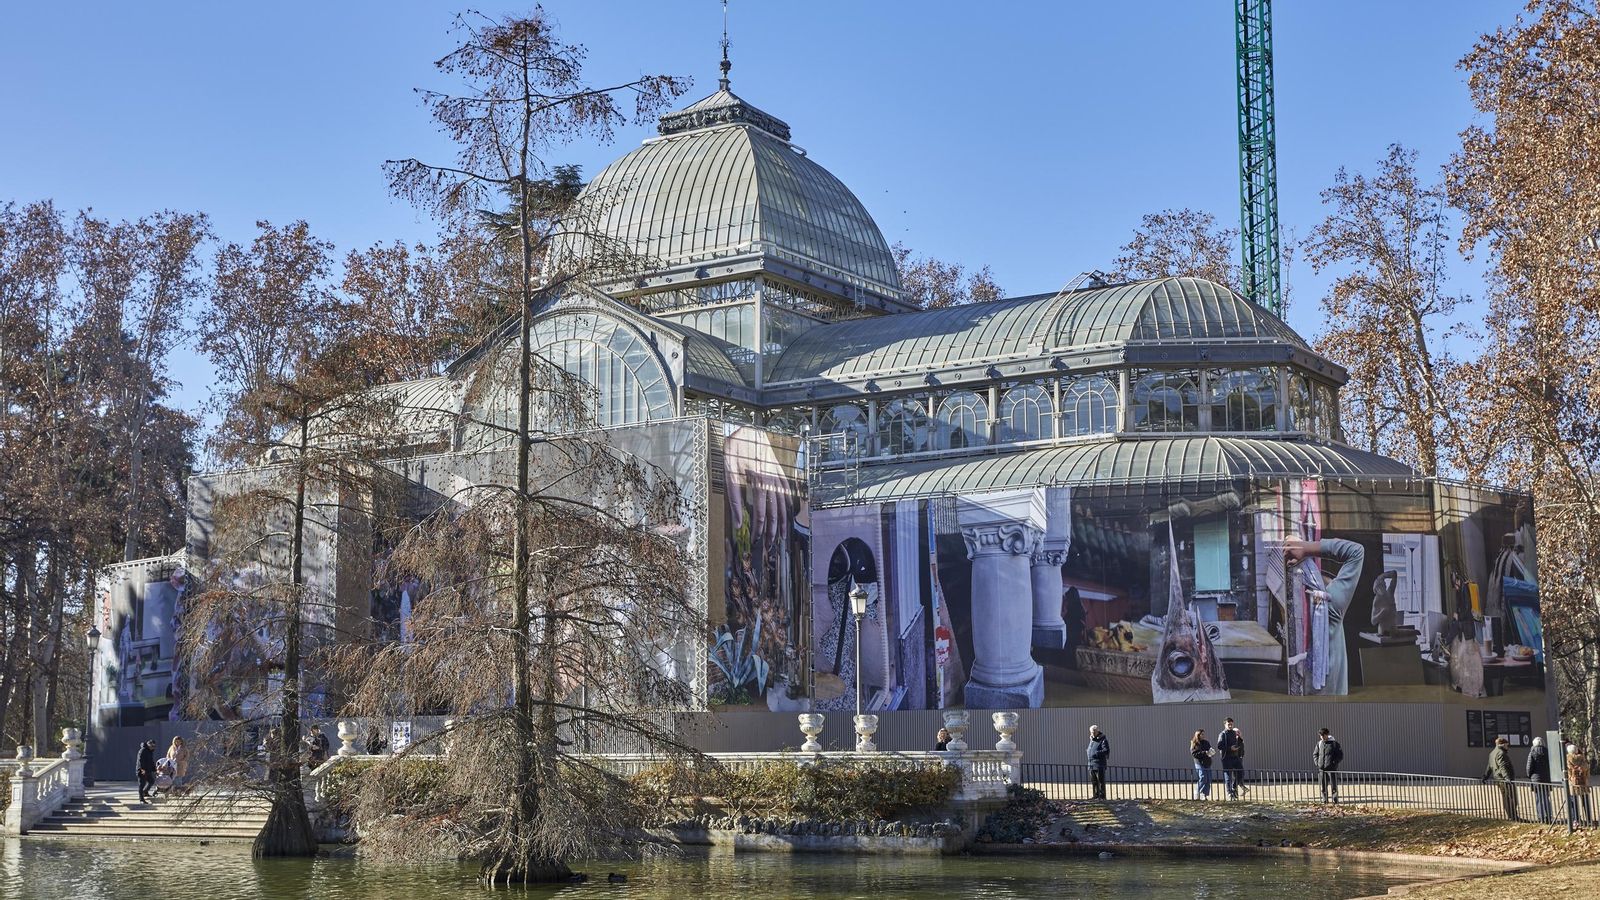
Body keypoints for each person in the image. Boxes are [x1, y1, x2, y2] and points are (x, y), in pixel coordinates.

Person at [1283, 539, 1366, 696]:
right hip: (1332, 701)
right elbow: (1356, 552)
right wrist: (1308, 547)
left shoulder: (1288, 606)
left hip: (1299, 703)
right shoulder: (1329, 602)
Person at [1482, 737, 1520, 821]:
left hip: (1498, 779)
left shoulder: (1492, 753)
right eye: (1507, 745)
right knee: (1511, 798)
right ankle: (1513, 816)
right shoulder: (1501, 753)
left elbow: (1489, 767)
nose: (1508, 747)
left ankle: (1511, 815)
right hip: (1504, 779)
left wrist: (1485, 776)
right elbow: (1503, 767)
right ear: (1502, 744)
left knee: (1506, 797)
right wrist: (1507, 778)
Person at [1218, 717, 1247, 800]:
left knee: (1241, 773)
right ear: (1225, 724)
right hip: (1226, 758)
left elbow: (1239, 743)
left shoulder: (1234, 733)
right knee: (1228, 776)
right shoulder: (1222, 734)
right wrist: (1230, 748)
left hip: (1235, 756)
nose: (1230, 726)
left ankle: (1234, 787)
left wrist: (1240, 738)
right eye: (1228, 724)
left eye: (1231, 724)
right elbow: (1219, 746)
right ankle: (1229, 792)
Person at [1313, 727, 1343, 804]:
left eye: (1323, 735)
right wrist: (1318, 763)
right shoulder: (1319, 744)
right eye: (1320, 735)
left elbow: (1340, 755)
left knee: (1334, 785)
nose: (1322, 737)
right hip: (1322, 769)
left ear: (1327, 735)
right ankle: (1324, 800)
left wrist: (1333, 763)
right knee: (1323, 786)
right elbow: (1315, 754)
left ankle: (1335, 800)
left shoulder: (1334, 744)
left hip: (1331, 768)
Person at [1527, 737, 1553, 824]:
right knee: (1546, 798)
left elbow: (1529, 767)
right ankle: (1549, 816)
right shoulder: (1547, 752)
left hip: (1536, 779)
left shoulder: (1532, 753)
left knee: (1539, 799)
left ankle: (1541, 817)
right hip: (1546, 778)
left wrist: (1529, 775)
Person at [1566, 743, 1592, 825]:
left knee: (1574, 802)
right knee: (1585, 801)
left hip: (1574, 783)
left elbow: (1568, 773)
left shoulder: (1568, 760)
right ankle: (1589, 819)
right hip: (1583, 782)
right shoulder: (1582, 759)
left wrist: (1570, 778)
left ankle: (1576, 820)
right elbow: (1587, 770)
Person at [1086, 725, 1111, 800]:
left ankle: (1102, 796)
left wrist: (1096, 753)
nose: (1092, 733)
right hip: (1091, 764)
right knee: (1094, 781)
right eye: (1091, 732)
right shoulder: (1092, 740)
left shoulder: (1103, 740)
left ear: (1097, 731)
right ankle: (1096, 795)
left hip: (1099, 764)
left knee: (1100, 781)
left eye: (1094, 732)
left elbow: (1106, 750)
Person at [1191, 730, 1215, 799]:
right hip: (1199, 763)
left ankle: (1204, 794)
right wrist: (1205, 753)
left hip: (1207, 762)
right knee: (1203, 777)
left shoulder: (1206, 742)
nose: (1203, 736)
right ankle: (1197, 791)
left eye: (1203, 734)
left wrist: (1211, 752)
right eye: (1202, 734)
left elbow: (1210, 749)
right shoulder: (1194, 743)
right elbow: (1194, 754)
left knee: (1208, 779)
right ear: (1198, 735)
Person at [136, 739, 158, 803]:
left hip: (148, 770)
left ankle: (145, 792)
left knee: (151, 781)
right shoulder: (143, 750)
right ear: (148, 745)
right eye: (151, 746)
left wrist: (155, 769)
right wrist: (142, 769)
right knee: (142, 784)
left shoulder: (150, 752)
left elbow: (151, 762)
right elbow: (140, 761)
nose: (152, 747)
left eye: (154, 746)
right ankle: (141, 799)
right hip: (142, 770)